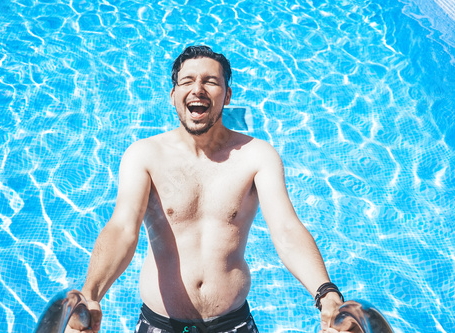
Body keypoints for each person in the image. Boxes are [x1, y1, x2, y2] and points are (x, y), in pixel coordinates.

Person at [67, 45, 344, 333]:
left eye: (211, 81)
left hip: (232, 323)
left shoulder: (257, 156)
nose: (197, 89)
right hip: (160, 324)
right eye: (187, 81)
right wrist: (91, 294)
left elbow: (286, 229)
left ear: (227, 96)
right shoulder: (145, 155)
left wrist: (325, 291)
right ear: (173, 95)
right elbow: (123, 228)